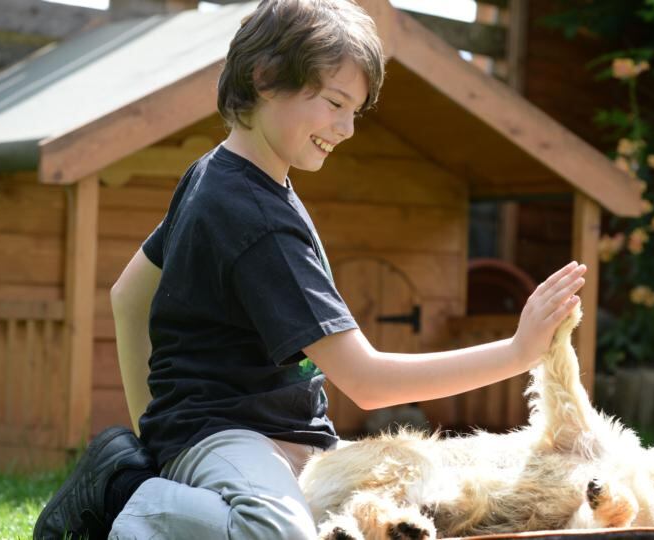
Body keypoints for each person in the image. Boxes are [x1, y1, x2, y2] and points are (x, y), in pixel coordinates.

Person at [33, 1, 587, 538]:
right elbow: (365, 382)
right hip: (225, 435)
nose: (346, 127)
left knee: (407, 510)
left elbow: (128, 295)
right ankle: (124, 492)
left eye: (354, 110)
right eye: (333, 102)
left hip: (287, 437)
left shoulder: (220, 175)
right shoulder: (253, 217)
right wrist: (517, 352)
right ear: (267, 78)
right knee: (278, 533)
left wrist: (151, 430)